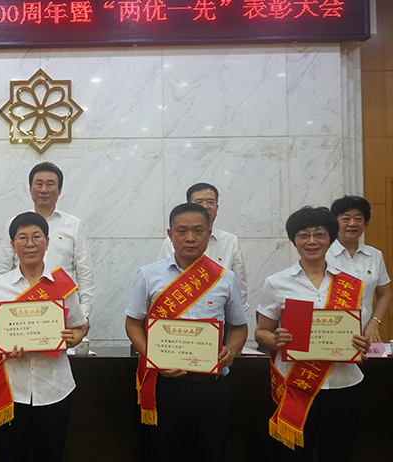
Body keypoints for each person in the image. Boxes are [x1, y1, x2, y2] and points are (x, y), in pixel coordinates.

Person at [125, 203, 248, 462]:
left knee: (211, 452)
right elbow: (133, 323)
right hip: (166, 383)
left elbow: (239, 326)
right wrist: (154, 357)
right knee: (166, 453)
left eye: (198, 231)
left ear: (209, 233)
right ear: (170, 235)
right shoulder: (148, 275)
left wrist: (232, 350)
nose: (190, 238)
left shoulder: (225, 278)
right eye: (182, 231)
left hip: (212, 384)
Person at [255, 206, 370, 460]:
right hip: (295, 386)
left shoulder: (352, 284)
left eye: (320, 234)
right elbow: (261, 332)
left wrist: (362, 345)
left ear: (330, 238)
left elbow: (357, 335)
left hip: (343, 385)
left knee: (337, 454)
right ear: (294, 240)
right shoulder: (276, 282)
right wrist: (275, 339)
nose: (312, 241)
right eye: (303, 235)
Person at [0, 212, 86, 462]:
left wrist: (73, 337)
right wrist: (2, 346)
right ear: (13, 244)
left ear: (47, 242)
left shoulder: (63, 285)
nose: (30, 244)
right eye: (22, 238)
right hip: (11, 390)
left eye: (36, 237)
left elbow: (80, 328)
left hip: (55, 389)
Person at [0, 162, 94, 327]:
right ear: (30, 189)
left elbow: (85, 274)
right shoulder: (14, 224)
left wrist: (84, 314)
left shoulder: (74, 225)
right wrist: (1, 314)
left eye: (50, 184)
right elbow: (2, 270)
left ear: (59, 190)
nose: (44, 190)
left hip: (63, 310)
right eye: (39, 184)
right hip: (21, 311)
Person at [158, 183, 250, 317]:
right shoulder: (171, 241)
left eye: (210, 202)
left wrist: (239, 321)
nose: (205, 206)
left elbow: (240, 289)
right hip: (179, 316)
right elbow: (162, 281)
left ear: (217, 208)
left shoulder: (230, 241)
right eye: (199, 202)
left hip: (218, 319)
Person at [327, 195, 391, 343]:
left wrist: (375, 322)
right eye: (346, 218)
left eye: (358, 219)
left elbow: (385, 294)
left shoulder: (375, 255)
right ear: (335, 223)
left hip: (366, 336)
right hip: (330, 336)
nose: (352, 223)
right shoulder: (323, 254)